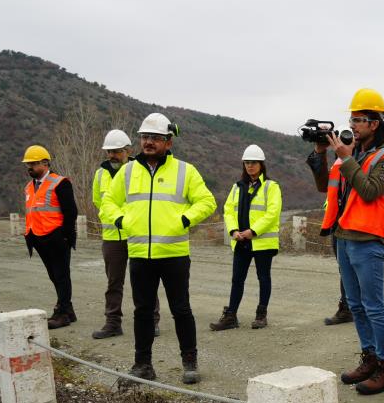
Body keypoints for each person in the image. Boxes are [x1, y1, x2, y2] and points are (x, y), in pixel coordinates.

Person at [101, 113, 216, 384]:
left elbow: (207, 202)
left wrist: (184, 220)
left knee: (181, 310)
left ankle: (189, 362)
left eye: (155, 138)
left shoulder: (185, 171)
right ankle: (143, 365)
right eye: (145, 137)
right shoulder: (128, 171)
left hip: (174, 255)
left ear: (169, 142)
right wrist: (122, 220)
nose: (149, 142)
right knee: (142, 312)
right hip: (140, 254)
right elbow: (108, 202)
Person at [324, 88, 384, 395]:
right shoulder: (356, 152)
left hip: (369, 238)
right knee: (356, 305)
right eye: (352, 119)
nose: (353, 125)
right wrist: (323, 155)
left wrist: (346, 159)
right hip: (344, 236)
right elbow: (330, 187)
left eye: (359, 120)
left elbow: (370, 190)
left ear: (375, 123)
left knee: (373, 306)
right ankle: (370, 358)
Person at [91, 129, 161, 339]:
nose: (112, 155)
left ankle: (152, 322)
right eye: (109, 151)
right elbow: (99, 201)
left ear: (128, 150)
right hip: (112, 238)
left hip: (138, 235)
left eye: (116, 151)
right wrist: (117, 219)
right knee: (114, 283)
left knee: (146, 281)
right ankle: (113, 323)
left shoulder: (138, 170)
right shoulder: (100, 174)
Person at [210, 144, 282, 330]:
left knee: (263, 278)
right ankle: (231, 316)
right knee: (237, 279)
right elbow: (228, 210)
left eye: (254, 163)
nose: (250, 166)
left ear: (261, 164)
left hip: (261, 242)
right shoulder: (237, 187)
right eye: (247, 163)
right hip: (241, 240)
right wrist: (233, 230)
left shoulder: (271, 187)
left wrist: (253, 231)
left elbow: (272, 213)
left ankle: (261, 315)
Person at [22, 144, 78, 329]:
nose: (29, 167)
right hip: (38, 238)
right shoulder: (29, 187)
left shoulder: (60, 183)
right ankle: (68, 309)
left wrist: (65, 236)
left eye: (33, 163)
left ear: (45, 163)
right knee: (54, 275)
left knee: (62, 275)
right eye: (28, 164)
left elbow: (71, 212)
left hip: (57, 239)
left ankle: (62, 313)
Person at [307, 137, 353, 326]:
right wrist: (319, 152)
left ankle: (359, 308)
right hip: (337, 224)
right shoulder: (337, 165)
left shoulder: (361, 161)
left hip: (355, 223)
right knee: (345, 270)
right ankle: (348, 308)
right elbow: (322, 186)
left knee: (357, 270)